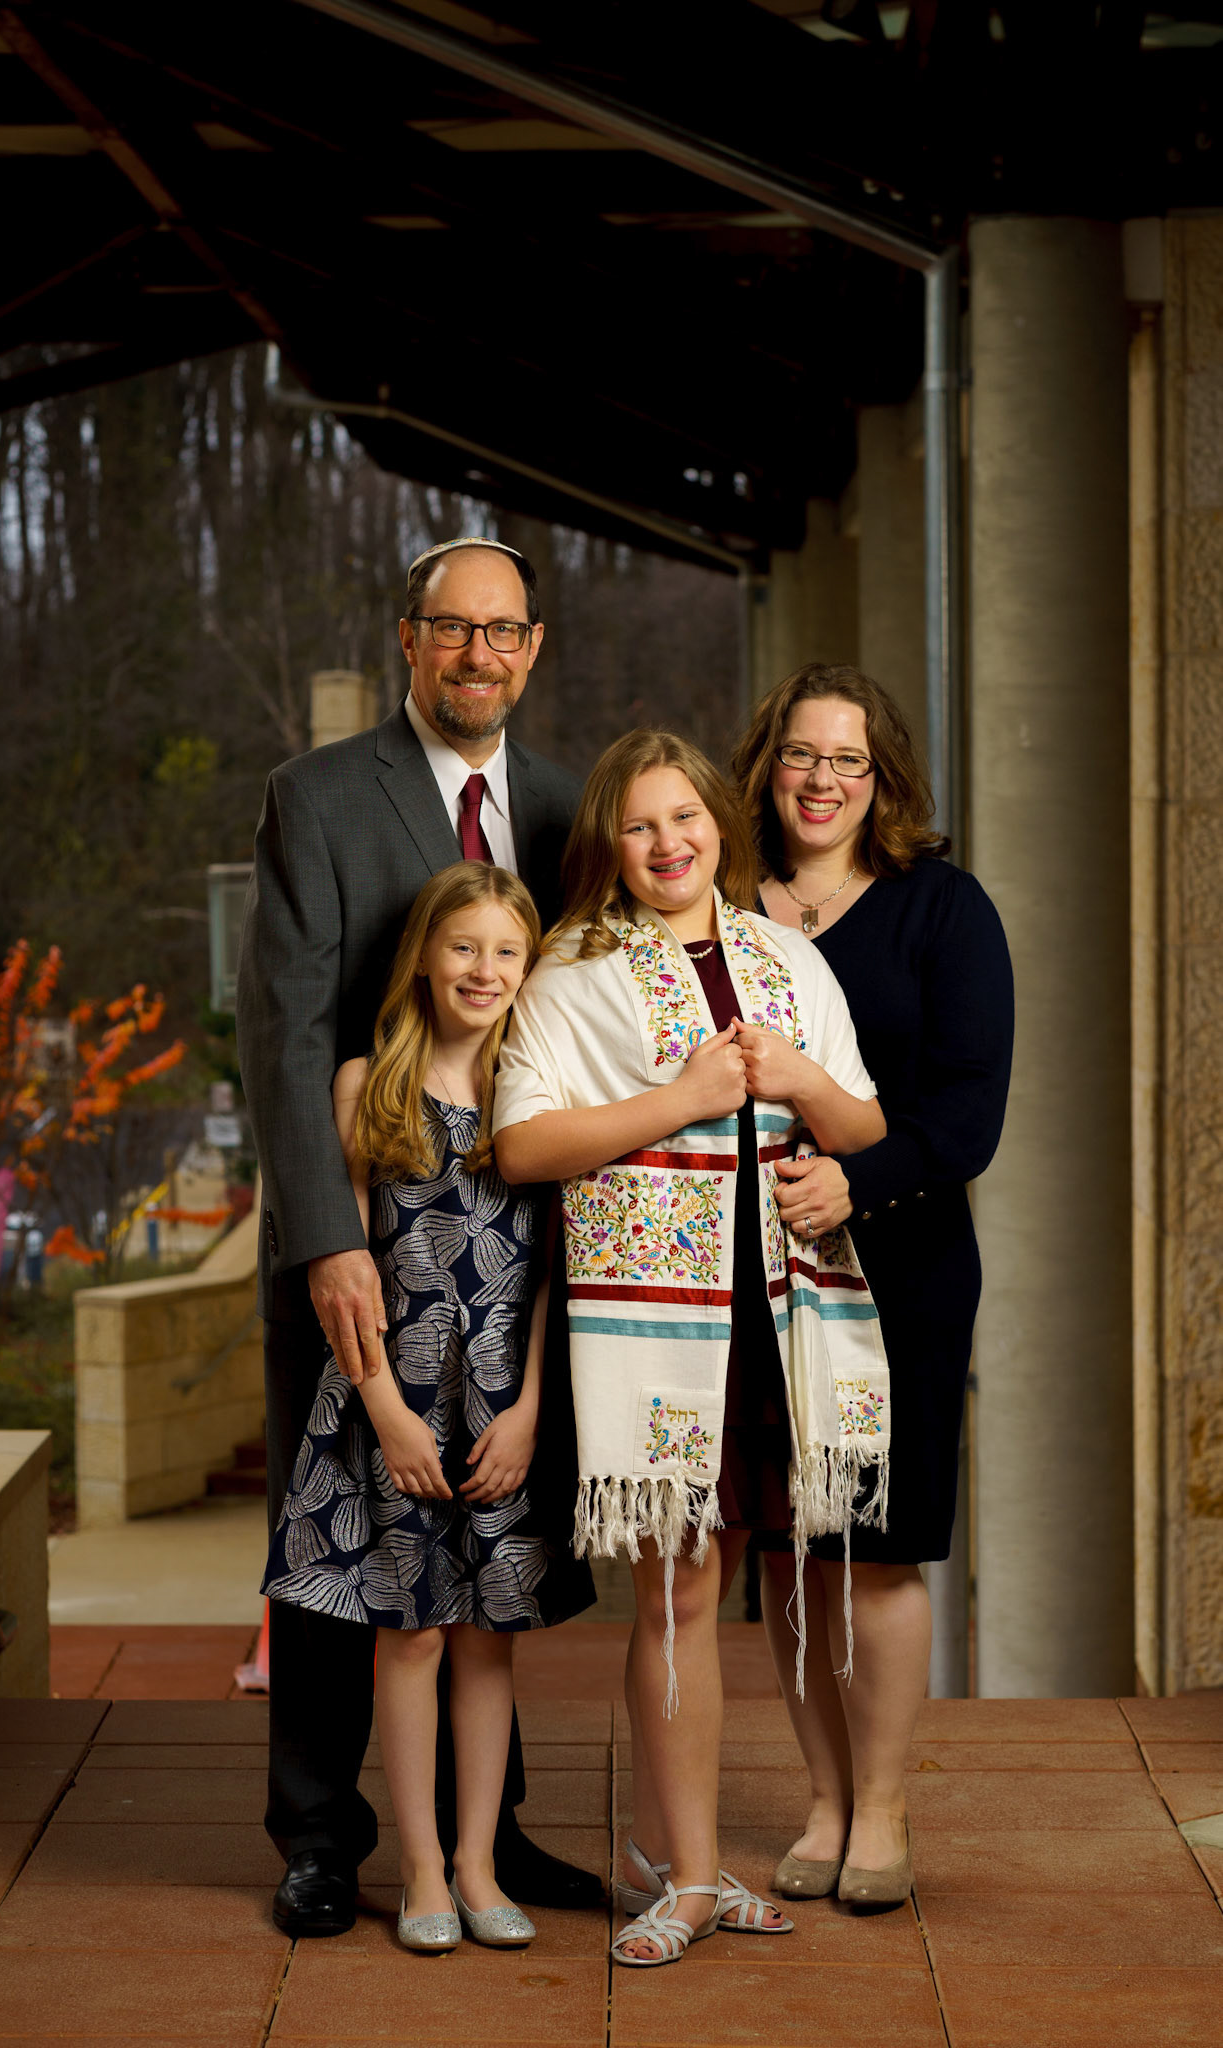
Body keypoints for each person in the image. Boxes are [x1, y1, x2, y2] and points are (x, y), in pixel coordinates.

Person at [236, 537, 599, 1940]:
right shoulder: (317, 798)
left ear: (533, 646)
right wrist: (329, 1243)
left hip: (509, 1264)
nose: (477, 656)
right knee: (350, 1562)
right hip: (364, 1251)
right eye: (453, 630)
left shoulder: (570, 812)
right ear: (409, 639)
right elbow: (286, 1035)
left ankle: (479, 1841)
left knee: (489, 1563)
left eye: (502, 633)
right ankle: (324, 1836)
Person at [493, 729, 889, 1965]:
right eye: (640, 826)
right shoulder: (570, 971)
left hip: (784, 1309)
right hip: (659, 1322)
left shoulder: (787, 957)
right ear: (610, 845)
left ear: (719, 823)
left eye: (686, 820)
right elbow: (520, 1145)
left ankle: (700, 1862)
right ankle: (691, 1874)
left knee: (761, 1575)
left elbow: (863, 1115)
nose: (668, 845)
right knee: (677, 1584)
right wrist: (684, 1096)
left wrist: (798, 1084)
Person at [263, 864, 591, 1952]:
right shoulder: (369, 1086)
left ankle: (478, 1860)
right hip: (389, 1398)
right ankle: (416, 1868)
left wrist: (533, 1404)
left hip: (499, 1405)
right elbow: (341, 1270)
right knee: (406, 1639)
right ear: (423, 957)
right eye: (463, 947)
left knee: (487, 1643)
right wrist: (387, 1412)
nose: (484, 969)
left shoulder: (535, 1093)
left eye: (506, 950)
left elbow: (551, 1275)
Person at [730, 661, 1013, 1907]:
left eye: (848, 759)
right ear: (766, 764)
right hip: (751, 1269)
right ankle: (824, 1797)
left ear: (882, 777)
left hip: (899, 1263)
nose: (821, 779)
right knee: (793, 1546)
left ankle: (885, 1809)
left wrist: (856, 1179)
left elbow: (967, 1116)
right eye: (801, 753)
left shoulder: (939, 910)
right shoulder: (721, 907)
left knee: (879, 1550)